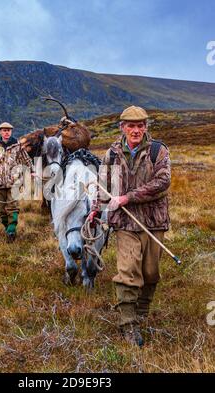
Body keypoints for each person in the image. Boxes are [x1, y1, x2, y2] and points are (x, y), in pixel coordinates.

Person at [89, 106, 171, 346]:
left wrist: (128, 197)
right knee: (127, 272)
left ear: (145, 127)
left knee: (150, 272)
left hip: (154, 221)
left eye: (140, 125)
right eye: (131, 125)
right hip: (124, 222)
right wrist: (96, 208)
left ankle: (142, 311)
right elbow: (103, 184)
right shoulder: (112, 154)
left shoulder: (158, 151)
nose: (136, 130)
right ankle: (128, 324)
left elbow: (163, 182)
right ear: (122, 127)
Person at [0, 122, 34, 242]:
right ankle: (7, 227)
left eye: (9, 130)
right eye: (4, 130)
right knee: (1, 210)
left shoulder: (17, 146)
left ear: (11, 132)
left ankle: (11, 231)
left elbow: (26, 159)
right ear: (0, 132)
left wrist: (32, 170)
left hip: (14, 182)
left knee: (13, 207)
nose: (6, 132)